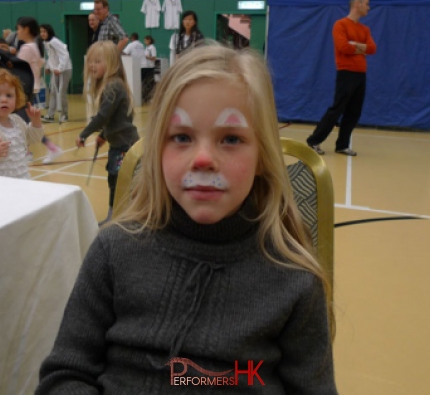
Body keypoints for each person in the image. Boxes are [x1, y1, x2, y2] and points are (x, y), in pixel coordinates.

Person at [36, 44, 337, 393]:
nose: (203, 159)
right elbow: (64, 376)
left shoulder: (295, 280)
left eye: (231, 139)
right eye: (181, 137)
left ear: (263, 158)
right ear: (158, 153)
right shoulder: (113, 251)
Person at [76, 41, 139, 225]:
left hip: (125, 147)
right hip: (118, 146)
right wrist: (104, 135)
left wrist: (84, 134)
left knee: (119, 181)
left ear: (111, 63)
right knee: (114, 180)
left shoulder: (113, 86)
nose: (92, 66)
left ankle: (123, 216)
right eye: (90, 61)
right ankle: (115, 215)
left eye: (97, 61)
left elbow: (103, 115)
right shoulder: (112, 85)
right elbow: (114, 118)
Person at [306, 0, 377, 156]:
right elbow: (343, 47)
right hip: (346, 72)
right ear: (357, 4)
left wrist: (356, 45)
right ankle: (313, 141)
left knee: (354, 111)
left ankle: (342, 145)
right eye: (366, 4)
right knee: (338, 108)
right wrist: (362, 48)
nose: (368, 7)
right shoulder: (340, 25)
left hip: (361, 74)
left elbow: (372, 48)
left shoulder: (364, 29)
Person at [16, 16, 63, 164]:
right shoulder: (35, 46)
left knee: (21, 121)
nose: (17, 31)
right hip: (32, 87)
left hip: (24, 89)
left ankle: (46, 149)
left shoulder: (26, 48)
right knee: (25, 120)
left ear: (26, 29)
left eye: (18, 28)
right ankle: (29, 151)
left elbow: (17, 70)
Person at [0, 69, 44, 179]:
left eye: (9, 95)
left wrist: (35, 122)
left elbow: (33, 139)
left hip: (23, 181)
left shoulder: (17, 121)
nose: (4, 100)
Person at [40, 24, 73, 123]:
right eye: (41, 32)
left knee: (61, 92)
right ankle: (50, 115)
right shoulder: (46, 43)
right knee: (53, 92)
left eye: (44, 31)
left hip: (65, 70)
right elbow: (51, 57)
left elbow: (65, 54)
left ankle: (64, 115)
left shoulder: (54, 41)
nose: (42, 34)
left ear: (49, 32)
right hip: (55, 71)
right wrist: (48, 67)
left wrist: (60, 68)